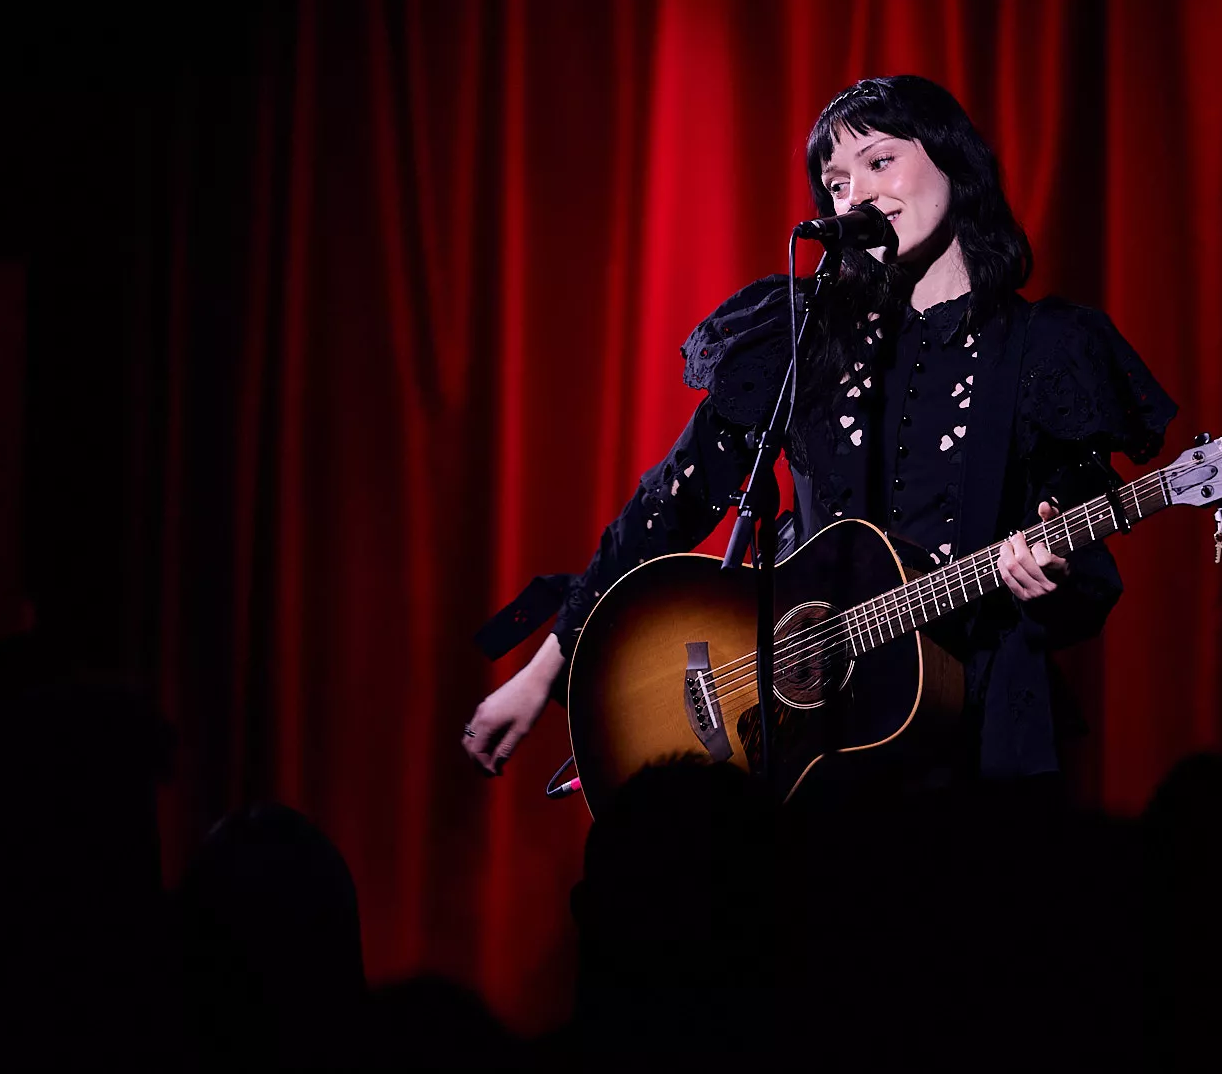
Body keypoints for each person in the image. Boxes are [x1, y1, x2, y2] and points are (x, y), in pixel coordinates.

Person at [462, 75, 1176, 790]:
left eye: (879, 161)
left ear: (953, 162)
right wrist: (544, 670)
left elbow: (1084, 563)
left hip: (972, 736)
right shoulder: (805, 338)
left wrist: (1047, 578)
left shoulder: (1047, 349)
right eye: (836, 184)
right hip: (809, 747)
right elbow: (664, 509)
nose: (856, 196)